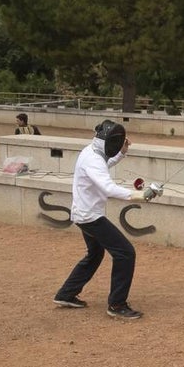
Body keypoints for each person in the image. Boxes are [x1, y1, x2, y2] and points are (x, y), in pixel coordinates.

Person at [54, 120, 146, 319]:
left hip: (84, 213)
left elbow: (104, 165)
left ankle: (66, 294)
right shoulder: (93, 159)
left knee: (95, 254)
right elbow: (108, 188)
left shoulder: (91, 151)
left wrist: (121, 153)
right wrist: (138, 195)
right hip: (90, 217)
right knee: (125, 253)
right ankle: (117, 304)